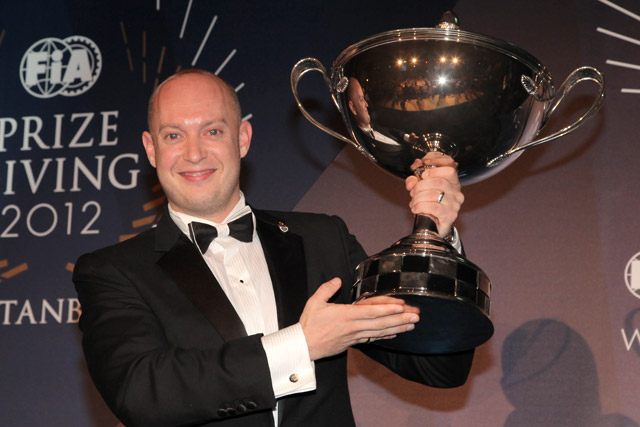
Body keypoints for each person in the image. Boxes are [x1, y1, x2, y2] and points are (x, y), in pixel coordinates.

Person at [73, 69, 472, 427]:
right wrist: (301, 344)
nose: (194, 153)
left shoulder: (323, 239)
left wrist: (436, 236)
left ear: (242, 138)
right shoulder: (113, 270)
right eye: (173, 135)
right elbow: (141, 394)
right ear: (151, 149)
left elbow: (438, 365)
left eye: (213, 131)